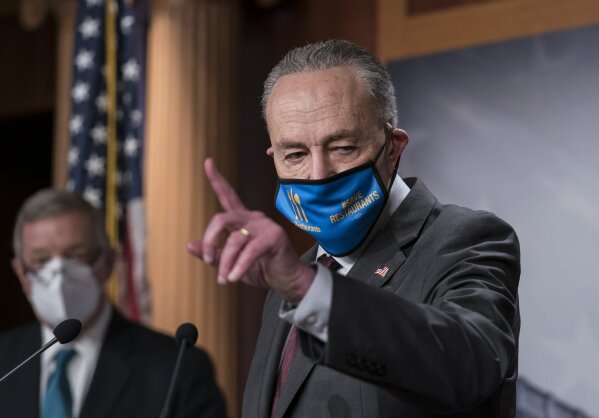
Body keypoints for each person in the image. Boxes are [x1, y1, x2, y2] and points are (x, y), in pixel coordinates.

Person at [187, 39, 520, 418]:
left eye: (342, 147)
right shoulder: (293, 280)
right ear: (274, 158)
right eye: (295, 154)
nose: (317, 174)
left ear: (392, 147)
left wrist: (306, 289)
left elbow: (469, 364)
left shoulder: (465, 239)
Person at [0, 189, 227, 418]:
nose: (59, 273)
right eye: (41, 260)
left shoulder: (178, 368)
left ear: (108, 262)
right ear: (21, 273)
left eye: (75, 255)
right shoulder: (6, 361)